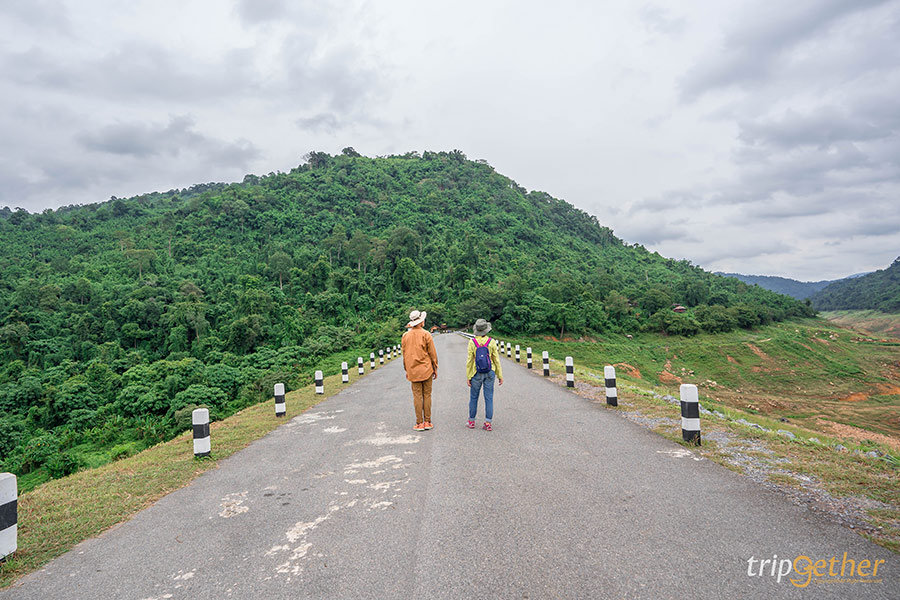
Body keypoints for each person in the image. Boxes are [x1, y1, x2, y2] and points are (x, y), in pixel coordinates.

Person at [401, 309, 439, 431]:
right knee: (427, 395)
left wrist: (407, 370)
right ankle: (427, 421)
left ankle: (419, 423)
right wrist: (435, 368)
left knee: (417, 396)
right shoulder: (426, 334)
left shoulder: (405, 336)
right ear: (421, 322)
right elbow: (432, 353)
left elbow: (405, 355)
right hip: (426, 369)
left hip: (413, 370)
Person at [466, 318, 503, 431]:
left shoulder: (472, 342)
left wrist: (468, 376)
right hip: (490, 372)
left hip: (476, 372)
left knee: (473, 397)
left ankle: (471, 421)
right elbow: (496, 360)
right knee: (489, 398)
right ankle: (488, 423)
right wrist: (500, 375)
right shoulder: (491, 342)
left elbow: (470, 361)